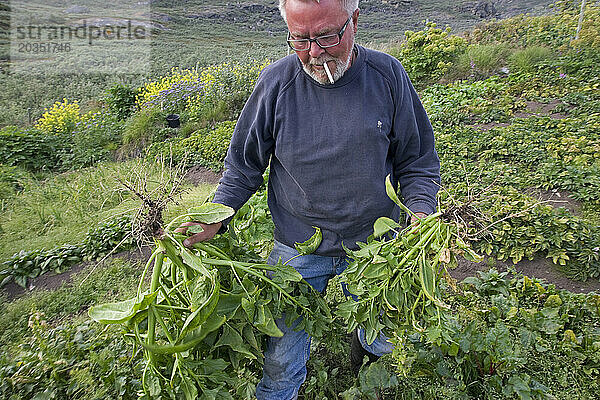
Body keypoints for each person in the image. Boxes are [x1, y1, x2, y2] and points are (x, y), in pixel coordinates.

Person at [176, 0, 441, 398]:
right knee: (281, 357)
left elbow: (417, 163)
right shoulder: (275, 84)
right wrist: (219, 215)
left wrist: (420, 213)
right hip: (297, 244)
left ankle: (366, 357)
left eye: (327, 36)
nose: (314, 53)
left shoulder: (387, 76)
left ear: (355, 20)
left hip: (377, 248)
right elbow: (244, 166)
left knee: (384, 337)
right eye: (299, 40)